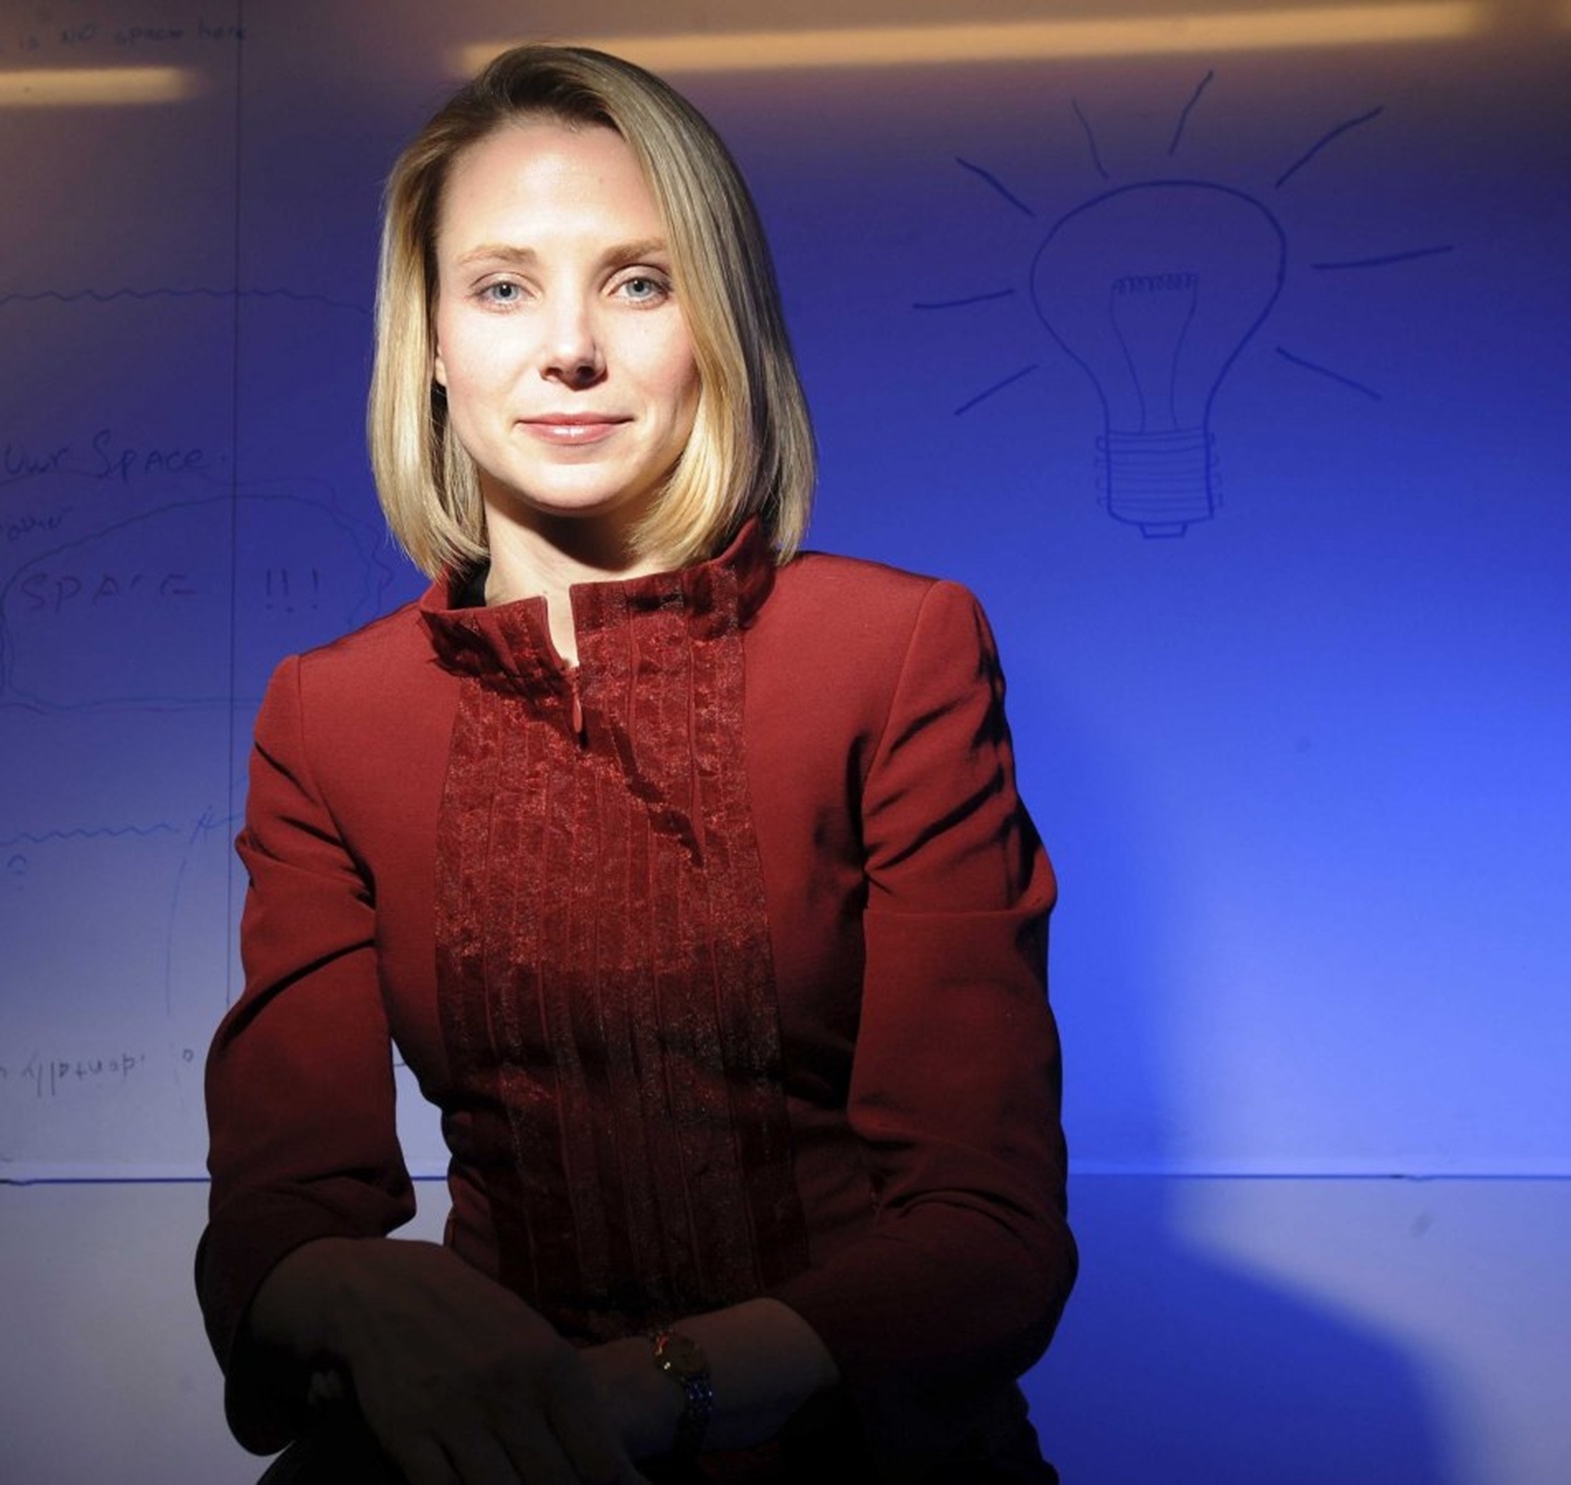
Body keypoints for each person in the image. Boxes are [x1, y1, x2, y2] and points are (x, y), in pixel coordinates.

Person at [197, 43, 1074, 1484]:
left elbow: (989, 1232)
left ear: (715, 322)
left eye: (638, 281)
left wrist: (627, 1398)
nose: (571, 349)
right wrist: (357, 1299)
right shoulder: (327, 713)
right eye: (503, 287)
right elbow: (277, 1217)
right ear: (430, 339)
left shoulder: (897, 649)